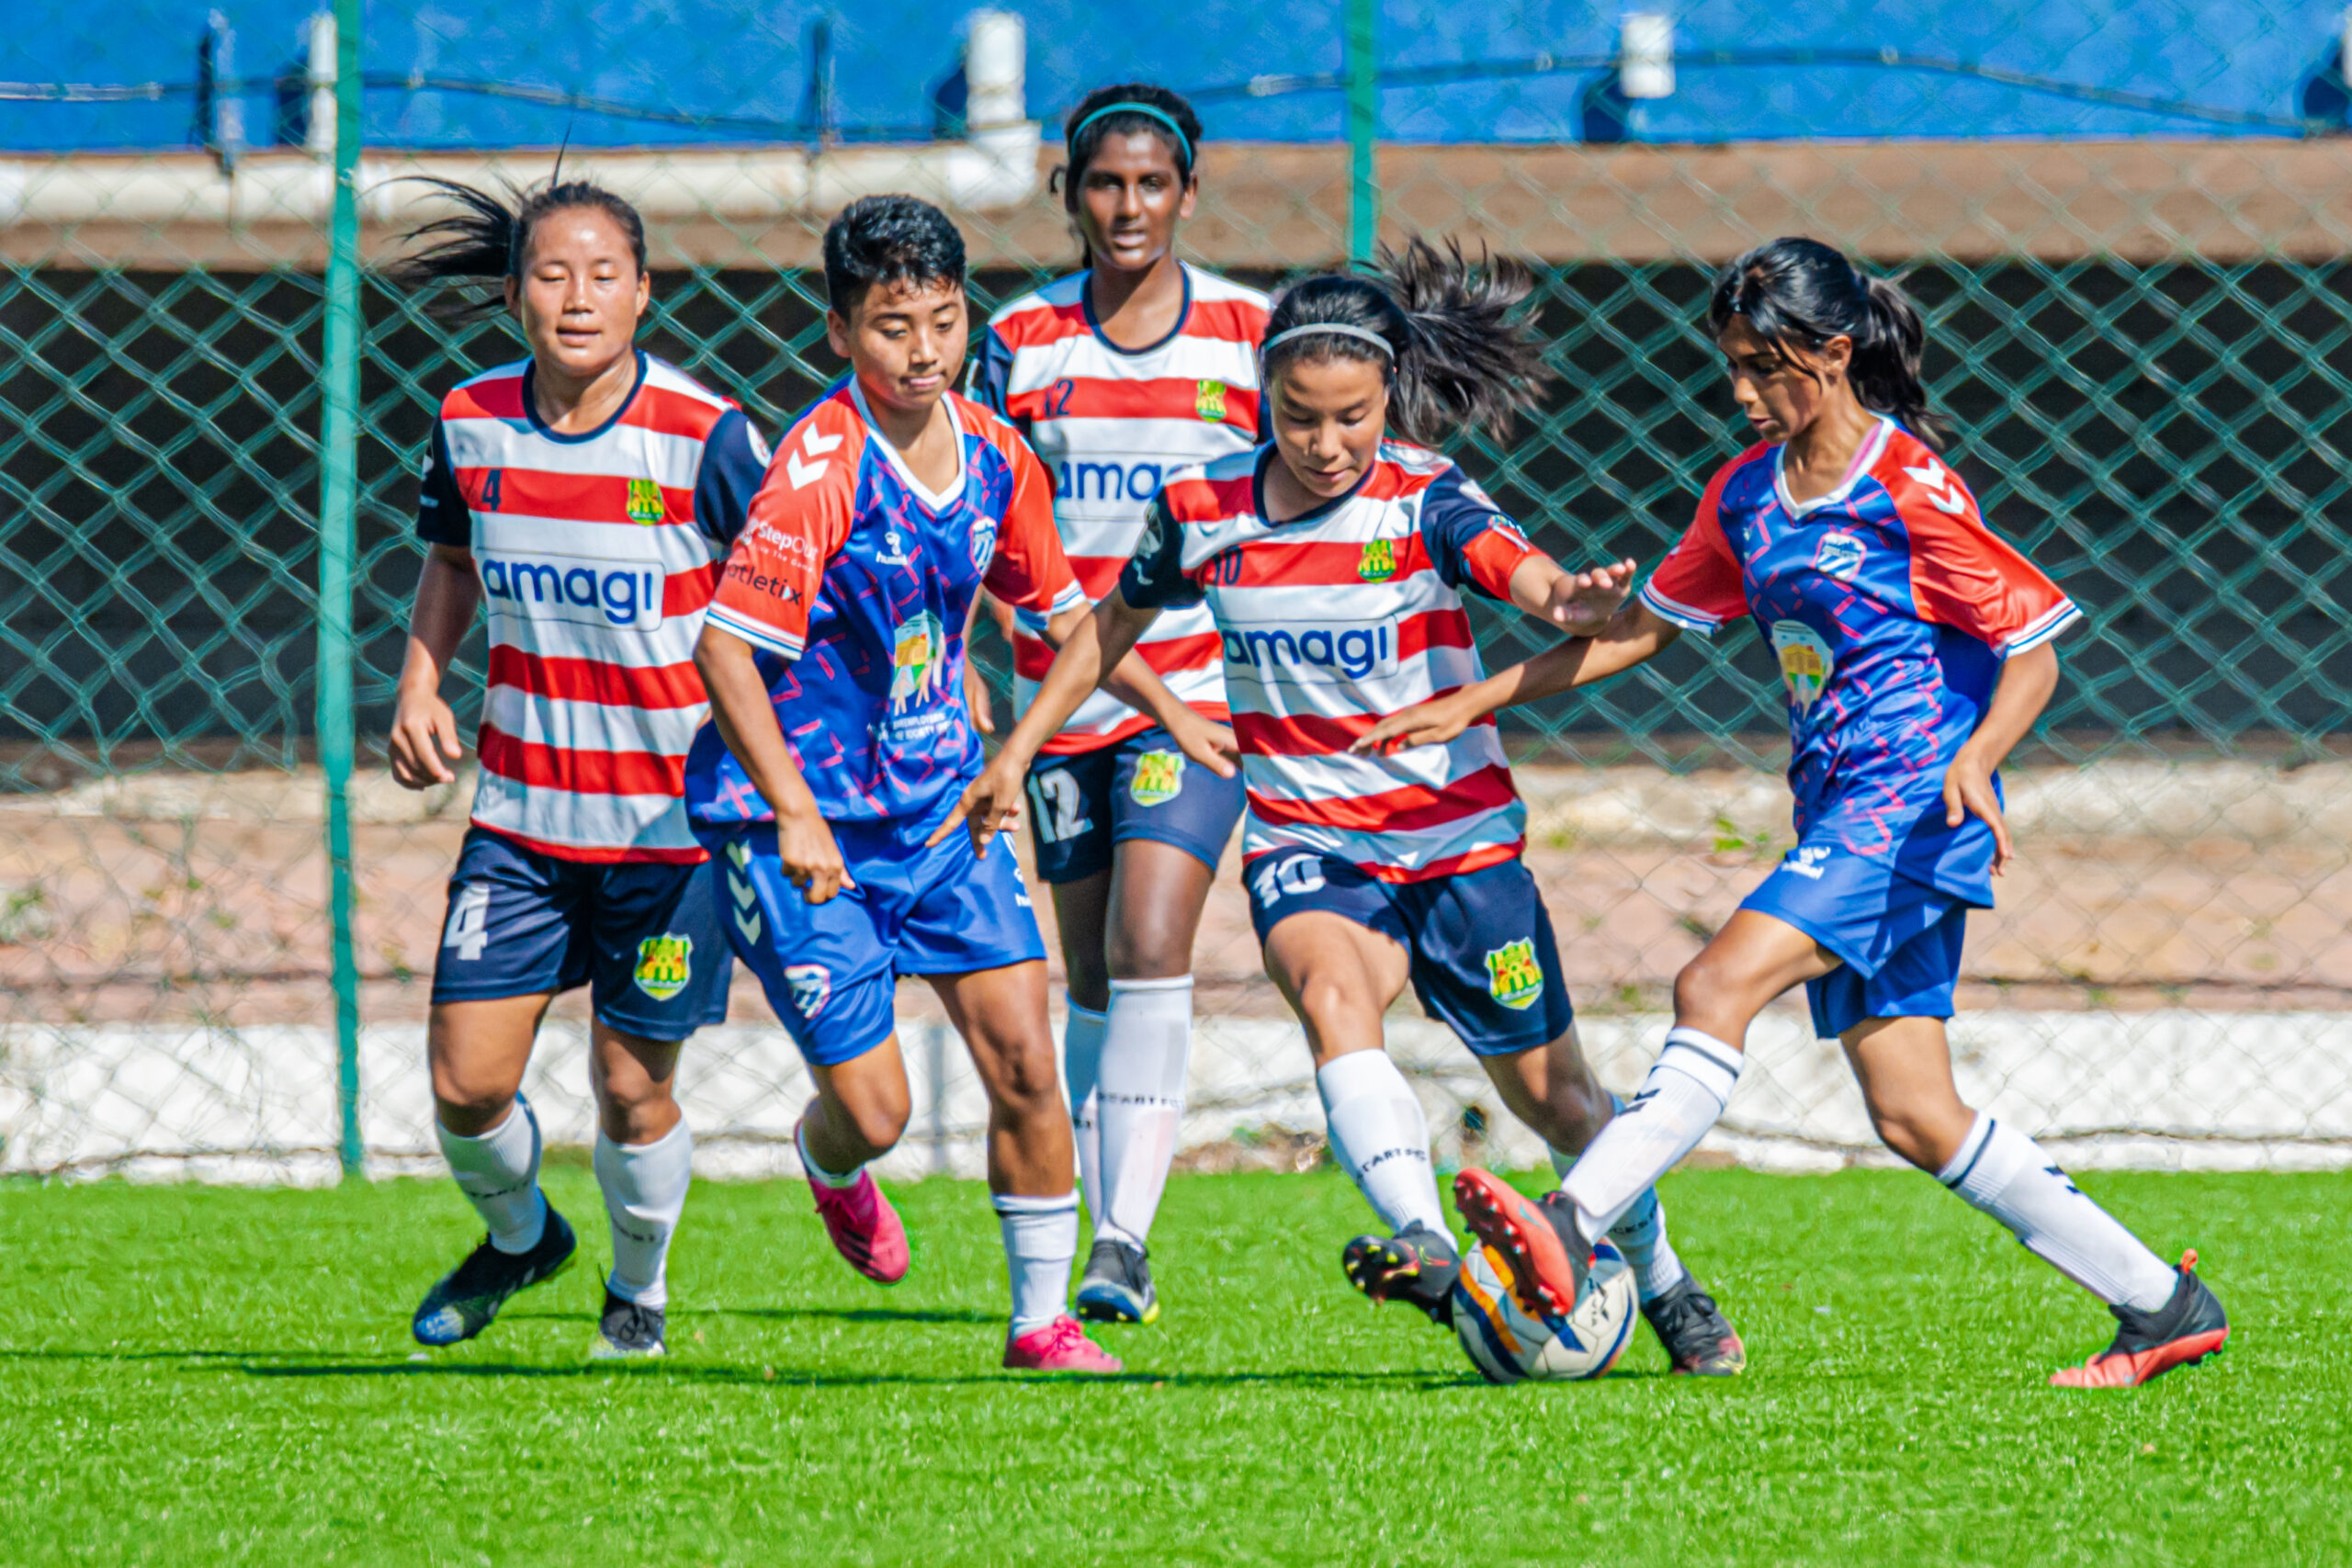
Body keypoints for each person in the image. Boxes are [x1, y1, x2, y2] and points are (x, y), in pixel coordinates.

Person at [1390, 236, 2229, 1389]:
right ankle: (2161, 1303)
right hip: (1840, 810)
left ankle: (1572, 1225)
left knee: (1714, 985)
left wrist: (1979, 756)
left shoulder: (1907, 484)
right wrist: (1474, 699)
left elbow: (2031, 645)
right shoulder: (1745, 495)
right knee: (1914, 1113)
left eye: (1762, 366)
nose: (1741, 391)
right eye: (1731, 365)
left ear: (1832, 353)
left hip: (1909, 805)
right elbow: (1638, 633)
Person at [941, 239, 1749, 1375]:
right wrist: (1021, 747)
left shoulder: (1425, 497)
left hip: (1457, 843)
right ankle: (1424, 1242)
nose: (1326, 445)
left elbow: (1529, 579)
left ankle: (1664, 1287)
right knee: (1331, 998)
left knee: (1559, 1099)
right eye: (1299, 418)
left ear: (1388, 398)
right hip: (1309, 840)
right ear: (1262, 395)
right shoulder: (1204, 508)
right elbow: (1105, 629)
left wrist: (1570, 598)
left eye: (1352, 419)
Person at [683, 194, 1122, 1374]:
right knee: (876, 1116)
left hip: (941, 813)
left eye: (943, 320)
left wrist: (1019, 751)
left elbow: (1076, 626)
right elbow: (723, 650)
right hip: (802, 828)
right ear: (840, 332)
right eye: (891, 326)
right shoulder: (818, 470)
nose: (924, 350)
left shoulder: (996, 455)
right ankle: (827, 1159)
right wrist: (795, 811)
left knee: (1025, 1060)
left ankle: (1041, 1324)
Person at [388, 175, 765, 1359]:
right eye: (553, 275)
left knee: (631, 1087)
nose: (579, 298)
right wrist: (419, 683)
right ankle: (521, 1241)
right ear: (514, 294)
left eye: (605, 275)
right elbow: (453, 558)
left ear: (645, 293)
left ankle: (637, 1292)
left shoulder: (706, 436)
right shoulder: (471, 420)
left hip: (668, 834)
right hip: (521, 821)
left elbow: (787, 592)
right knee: (464, 1087)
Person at [967, 84, 1268, 1325]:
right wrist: (993, 663)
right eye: (1105, 182)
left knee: (1151, 942)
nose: (1128, 205)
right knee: (1088, 968)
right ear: (1069, 193)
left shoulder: (1250, 333)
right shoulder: (1019, 340)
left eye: (1152, 183)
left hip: (1193, 697)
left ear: (1189, 192)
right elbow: (981, 521)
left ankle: (1122, 1240)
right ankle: (1092, 1219)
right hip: (1058, 704)